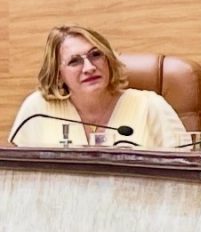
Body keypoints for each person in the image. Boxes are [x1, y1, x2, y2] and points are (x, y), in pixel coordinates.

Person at [9, 26, 188, 149]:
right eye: (74, 61)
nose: (89, 67)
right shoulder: (38, 110)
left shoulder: (150, 106)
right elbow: (20, 182)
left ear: (108, 60)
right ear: (58, 74)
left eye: (96, 55)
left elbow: (188, 176)